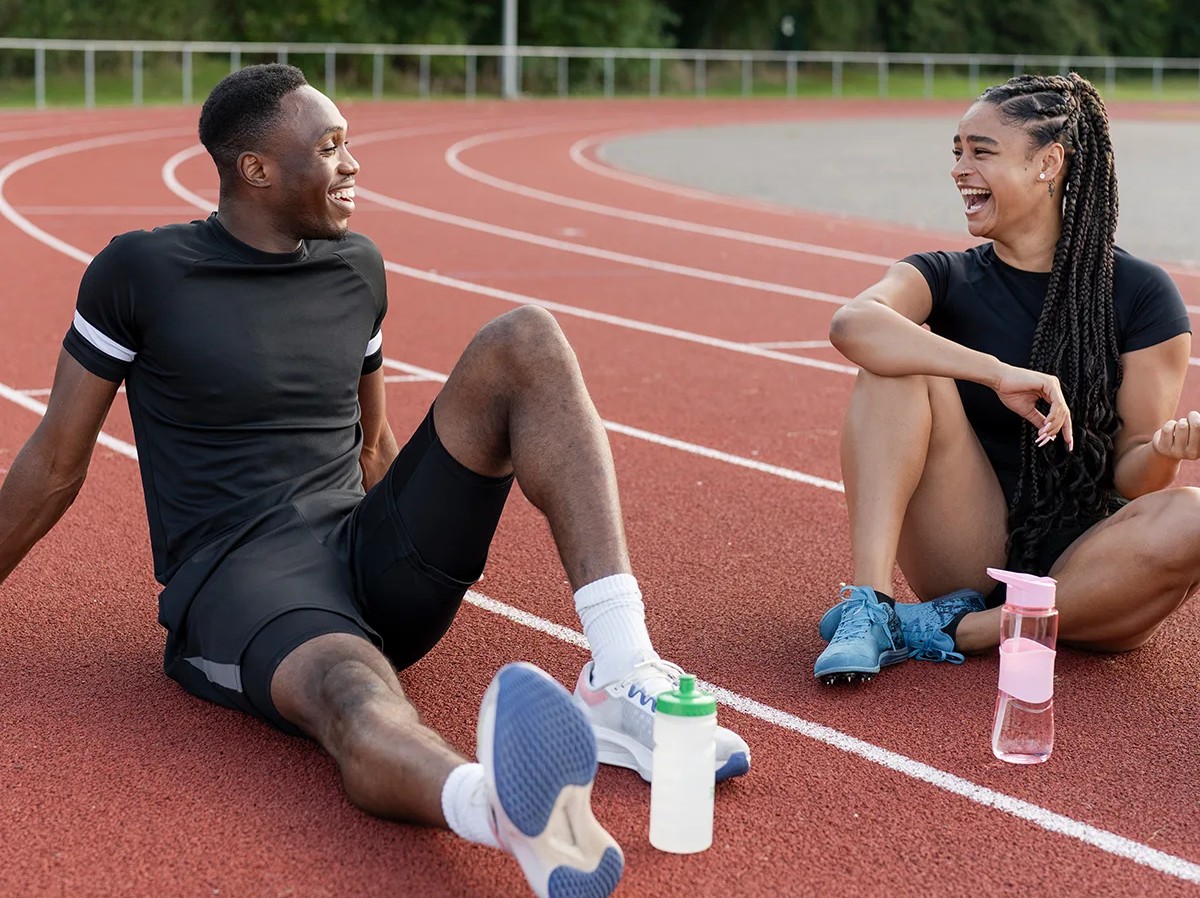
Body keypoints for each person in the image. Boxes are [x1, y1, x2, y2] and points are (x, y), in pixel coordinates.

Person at [0, 64, 749, 897]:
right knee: (355, 696)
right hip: (242, 585)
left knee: (524, 339)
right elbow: (56, 464)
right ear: (256, 169)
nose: (353, 164)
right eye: (329, 147)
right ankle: (495, 809)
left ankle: (619, 666)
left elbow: (377, 445)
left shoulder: (357, 267)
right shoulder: (140, 272)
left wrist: (398, 547)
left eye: (349, 143)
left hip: (363, 553)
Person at [814, 72, 1200, 684]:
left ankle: (960, 631)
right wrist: (996, 374)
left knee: (1193, 514)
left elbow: (1135, 478)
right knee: (894, 366)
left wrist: (1165, 453)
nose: (960, 168)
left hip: (1093, 569)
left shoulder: (1141, 293)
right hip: (971, 553)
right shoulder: (945, 276)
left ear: (1048, 164)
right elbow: (853, 323)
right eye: (957, 152)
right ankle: (870, 604)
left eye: (981, 151)